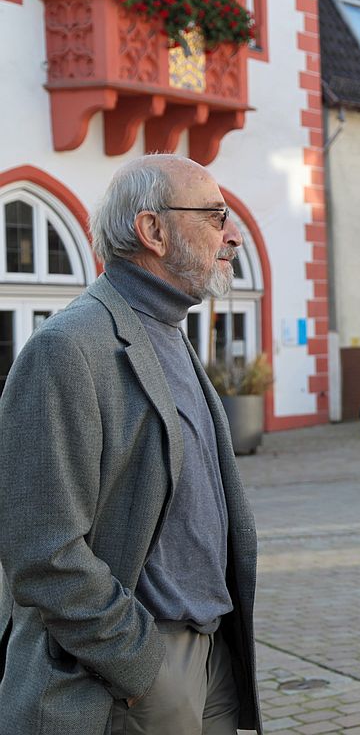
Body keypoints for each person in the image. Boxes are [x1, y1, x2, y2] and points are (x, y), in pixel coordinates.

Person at [0, 154, 262, 734]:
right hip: (134, 668)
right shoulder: (67, 348)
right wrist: (140, 663)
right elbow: (42, 551)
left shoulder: (167, 332)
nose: (233, 236)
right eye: (216, 216)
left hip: (212, 652)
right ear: (152, 230)